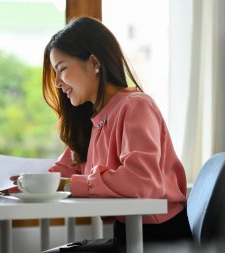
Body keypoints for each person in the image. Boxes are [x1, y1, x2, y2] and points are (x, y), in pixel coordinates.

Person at [41, 17, 192, 252]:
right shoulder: (93, 119)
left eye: (62, 69)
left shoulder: (135, 106)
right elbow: (59, 173)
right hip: (129, 238)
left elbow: (143, 181)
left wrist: (74, 185)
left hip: (159, 242)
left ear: (93, 62)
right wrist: (4, 181)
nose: (58, 83)